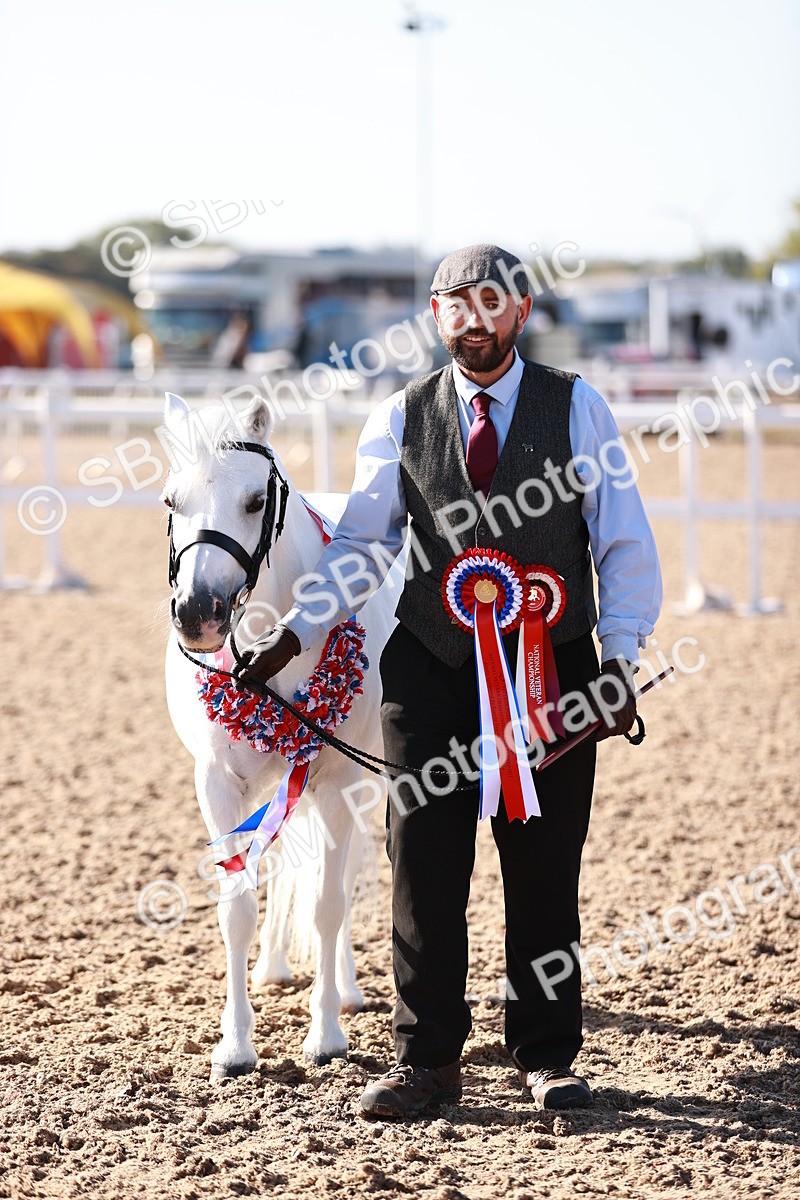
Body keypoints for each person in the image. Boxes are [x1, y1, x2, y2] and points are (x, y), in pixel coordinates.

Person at [234, 244, 662, 1119]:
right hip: (428, 666)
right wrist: (299, 629)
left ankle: (547, 1056)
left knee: (544, 865)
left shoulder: (579, 407)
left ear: (522, 309)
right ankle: (426, 1060)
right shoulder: (398, 416)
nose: (475, 319)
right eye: (457, 304)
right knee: (422, 863)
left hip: (553, 669)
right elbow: (364, 543)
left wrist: (620, 657)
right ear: (436, 317)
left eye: (492, 301)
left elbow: (621, 537)